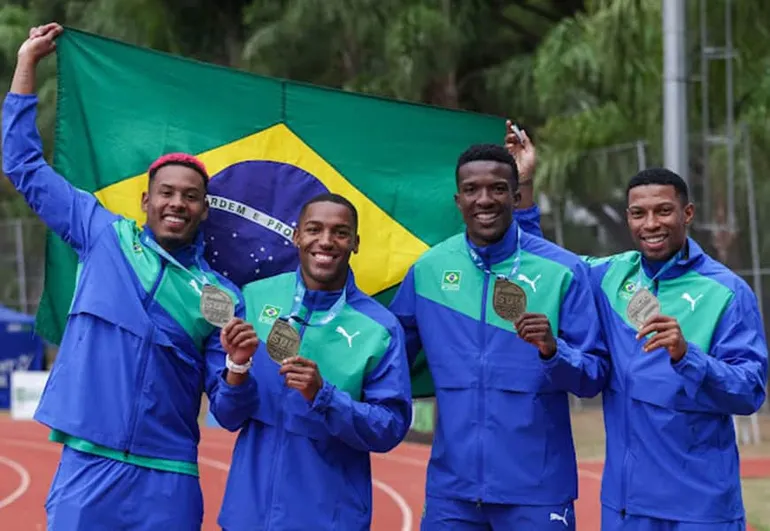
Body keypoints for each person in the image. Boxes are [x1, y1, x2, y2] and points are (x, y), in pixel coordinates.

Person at [2, 23, 259, 529]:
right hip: (88, 464)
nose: (177, 203)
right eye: (167, 193)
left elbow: (228, 413)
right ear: (147, 201)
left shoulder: (220, 297)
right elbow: (24, 165)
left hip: (169, 477)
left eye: (190, 196)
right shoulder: (101, 233)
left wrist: (238, 367)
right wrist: (27, 64)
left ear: (204, 210)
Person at [505, 127, 768, 530]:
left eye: (664, 211)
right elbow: (542, 262)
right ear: (628, 217)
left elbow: (750, 391)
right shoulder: (610, 274)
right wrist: (522, 183)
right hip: (627, 507)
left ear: (687, 214)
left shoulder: (728, 292)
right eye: (638, 213)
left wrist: (687, 355)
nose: (651, 224)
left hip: (702, 507)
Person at [388, 143, 610, 530]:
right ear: (458, 200)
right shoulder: (428, 271)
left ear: (515, 193)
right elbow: (388, 360)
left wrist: (553, 352)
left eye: (497, 188)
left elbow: (593, 376)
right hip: (452, 492)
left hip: (538, 491)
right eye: (472, 189)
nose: (484, 199)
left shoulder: (562, 270)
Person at [210, 192, 413, 531]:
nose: (326, 241)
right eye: (314, 229)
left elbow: (389, 428)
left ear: (355, 243)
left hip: (329, 519)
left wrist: (325, 397)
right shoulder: (256, 297)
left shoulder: (380, 328)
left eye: (340, 232)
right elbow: (228, 416)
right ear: (297, 235)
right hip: (248, 515)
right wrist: (238, 367)